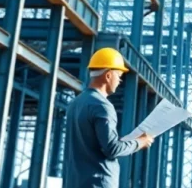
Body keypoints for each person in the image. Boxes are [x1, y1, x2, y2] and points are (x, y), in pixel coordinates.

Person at [64, 47, 154, 188]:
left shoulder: (75, 103)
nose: (120, 81)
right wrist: (140, 142)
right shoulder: (102, 106)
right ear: (108, 75)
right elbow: (112, 149)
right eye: (118, 75)